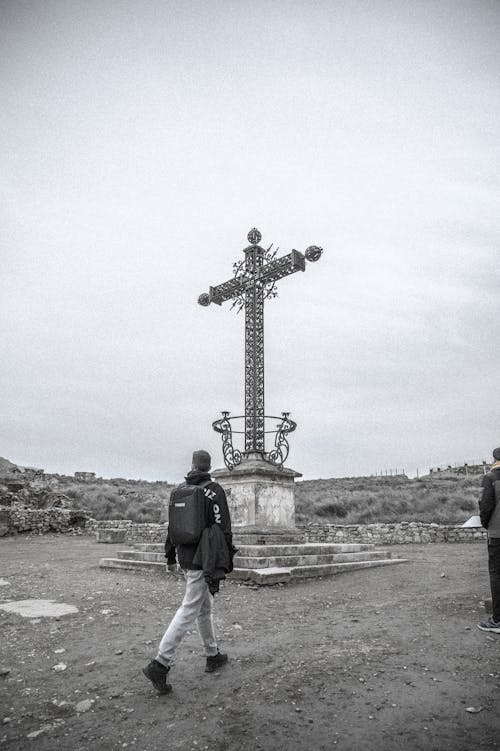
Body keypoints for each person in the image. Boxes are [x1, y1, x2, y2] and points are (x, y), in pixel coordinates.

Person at [143, 450, 235, 694]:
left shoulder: (179, 491)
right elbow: (222, 526)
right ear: (209, 467)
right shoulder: (214, 491)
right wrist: (227, 558)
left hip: (185, 556)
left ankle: (212, 654)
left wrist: (170, 556)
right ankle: (160, 663)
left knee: (204, 608)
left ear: (193, 465)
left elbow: (172, 528)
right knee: (190, 608)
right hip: (203, 558)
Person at [478, 447, 500, 634]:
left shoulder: (491, 478)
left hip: (498, 534)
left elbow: (485, 507)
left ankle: (497, 620)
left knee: (497, 574)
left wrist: (487, 524)